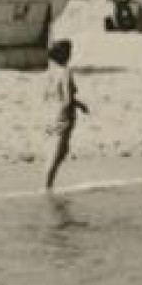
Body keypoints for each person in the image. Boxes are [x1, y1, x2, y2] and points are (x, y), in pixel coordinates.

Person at [44, 39, 90, 191]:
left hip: (51, 113)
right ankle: (47, 187)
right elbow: (68, 99)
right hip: (63, 115)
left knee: (61, 151)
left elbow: (47, 95)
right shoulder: (65, 72)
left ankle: (48, 185)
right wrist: (76, 107)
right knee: (57, 154)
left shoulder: (52, 72)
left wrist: (79, 105)